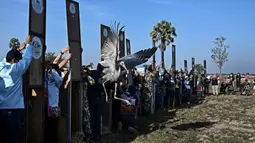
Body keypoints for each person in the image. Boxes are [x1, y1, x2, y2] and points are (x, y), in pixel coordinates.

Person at [0, 35, 33, 143]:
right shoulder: (15, 69)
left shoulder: (1, 67)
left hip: (2, 109)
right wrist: (28, 44)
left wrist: (17, 50)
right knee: (12, 138)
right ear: (14, 61)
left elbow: (6, 59)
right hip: (13, 110)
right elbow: (27, 59)